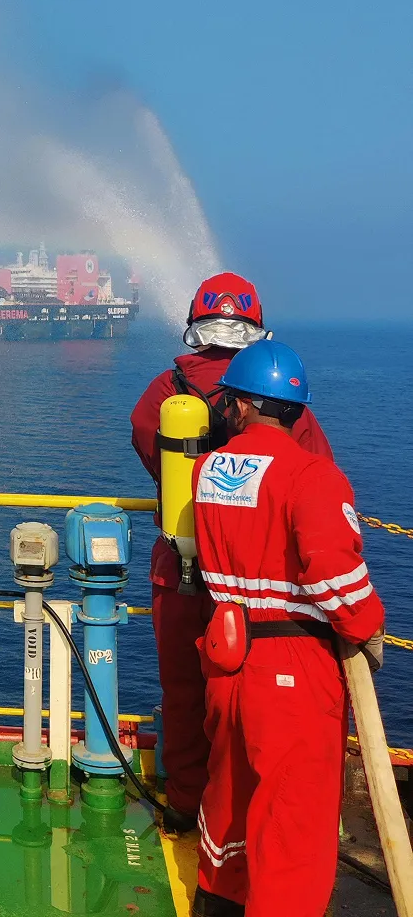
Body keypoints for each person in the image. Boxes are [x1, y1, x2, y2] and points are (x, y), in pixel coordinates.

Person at [129, 272, 333, 831]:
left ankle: (185, 804)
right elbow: (314, 475)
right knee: (247, 697)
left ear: (196, 324)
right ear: (256, 326)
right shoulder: (279, 393)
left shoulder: (164, 392)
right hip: (252, 582)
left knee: (183, 690)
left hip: (179, 567)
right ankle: (242, 814)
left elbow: (153, 455)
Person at [189, 339, 384, 917]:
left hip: (227, 656)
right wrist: (366, 626)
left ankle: (219, 900)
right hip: (294, 665)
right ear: (294, 409)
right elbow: (332, 571)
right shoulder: (311, 475)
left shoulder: (207, 470)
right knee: (295, 815)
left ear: (242, 406)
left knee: (231, 791)